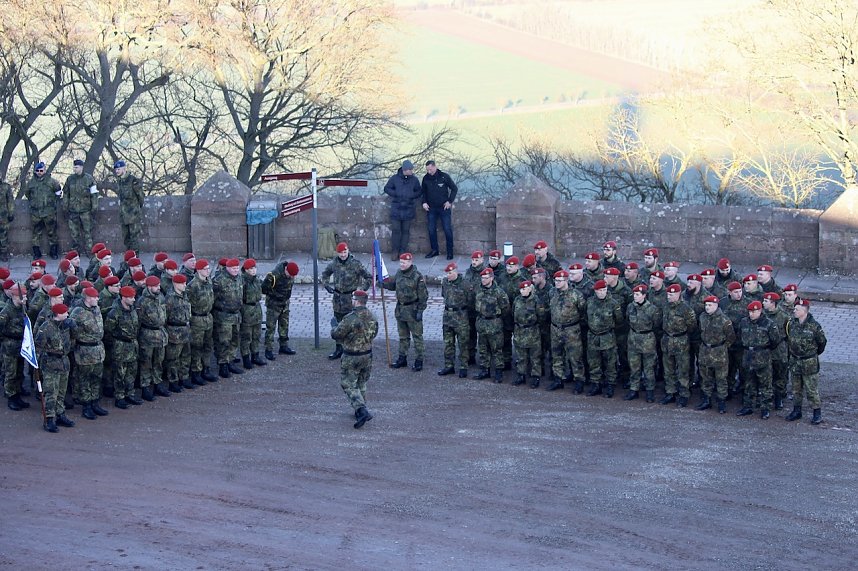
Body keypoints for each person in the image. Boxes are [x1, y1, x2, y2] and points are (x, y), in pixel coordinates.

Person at [331, 290, 379, 429]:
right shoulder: (372, 316)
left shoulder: (350, 318)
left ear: (357, 300)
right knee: (362, 382)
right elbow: (374, 333)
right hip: (367, 354)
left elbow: (337, 334)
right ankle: (360, 409)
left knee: (348, 384)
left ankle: (361, 409)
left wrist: (334, 325)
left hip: (351, 356)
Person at [321, 242, 371, 360]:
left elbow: (368, 277)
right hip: (338, 298)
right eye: (340, 253)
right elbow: (325, 274)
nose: (343, 255)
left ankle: (352, 347)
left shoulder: (355, 264)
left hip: (351, 299)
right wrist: (326, 284)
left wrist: (361, 290)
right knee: (338, 325)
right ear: (337, 253)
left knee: (352, 324)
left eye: (344, 252)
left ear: (348, 251)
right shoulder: (334, 263)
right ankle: (338, 349)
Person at [381, 253, 428, 371]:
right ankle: (402, 358)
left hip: (413, 310)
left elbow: (423, 296)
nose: (402, 265)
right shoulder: (399, 273)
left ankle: (419, 360)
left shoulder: (417, 277)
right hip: (401, 310)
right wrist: (383, 284)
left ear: (410, 262)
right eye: (401, 262)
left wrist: (420, 311)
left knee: (417, 336)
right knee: (403, 336)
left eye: (404, 263)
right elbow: (394, 286)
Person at [785, 298, 827, 425]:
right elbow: (788, 338)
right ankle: (797, 410)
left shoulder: (814, 326)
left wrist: (812, 354)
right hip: (795, 361)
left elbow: (822, 342)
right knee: (796, 388)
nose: (794, 311)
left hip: (809, 362)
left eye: (797, 309)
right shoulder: (791, 323)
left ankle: (817, 413)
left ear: (804, 311)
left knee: (811, 389)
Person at [736, 300, 780, 419]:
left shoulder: (769, 324)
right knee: (748, 383)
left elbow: (775, 341)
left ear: (760, 311)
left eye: (754, 311)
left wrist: (764, 349)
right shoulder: (744, 322)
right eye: (750, 311)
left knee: (765, 385)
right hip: (748, 356)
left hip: (762, 357)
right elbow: (739, 337)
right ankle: (748, 406)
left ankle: (765, 408)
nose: (751, 314)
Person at [35, 303, 75, 432]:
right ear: (58, 314)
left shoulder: (66, 325)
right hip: (51, 363)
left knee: (62, 391)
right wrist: (35, 363)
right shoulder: (46, 327)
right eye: (65, 312)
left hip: (64, 361)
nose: (68, 314)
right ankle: (49, 418)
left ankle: (60, 414)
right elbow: (38, 346)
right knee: (51, 392)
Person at [70, 287, 108, 419]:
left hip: (98, 350)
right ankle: (86, 406)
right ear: (87, 298)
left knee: (97, 378)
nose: (97, 299)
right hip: (84, 351)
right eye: (95, 297)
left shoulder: (96, 309)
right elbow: (72, 331)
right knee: (84, 379)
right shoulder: (77, 312)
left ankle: (95, 403)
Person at [547, 270, 587, 392]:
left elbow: (583, 311)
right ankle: (558, 379)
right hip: (555, 328)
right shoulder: (552, 292)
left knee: (575, 356)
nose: (557, 283)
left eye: (559, 281)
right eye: (555, 281)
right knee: (556, 355)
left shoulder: (576, 295)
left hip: (571, 329)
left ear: (566, 281)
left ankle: (579, 380)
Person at [696, 295, 736, 413]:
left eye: (710, 305)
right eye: (706, 305)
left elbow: (731, 337)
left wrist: (722, 347)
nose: (707, 307)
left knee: (721, 378)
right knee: (705, 377)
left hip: (719, 352)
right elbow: (700, 331)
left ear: (716, 306)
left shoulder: (724, 320)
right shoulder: (702, 317)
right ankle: (706, 400)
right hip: (705, 351)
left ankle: (721, 402)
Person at [105, 286, 142, 408]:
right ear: (123, 298)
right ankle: (120, 397)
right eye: (131, 297)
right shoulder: (114, 313)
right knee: (120, 373)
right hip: (120, 346)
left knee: (131, 371)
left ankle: (130, 394)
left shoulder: (133, 310)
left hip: (132, 345)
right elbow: (108, 330)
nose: (133, 299)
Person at [660, 283, 696, 407]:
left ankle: (684, 394)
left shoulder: (686, 309)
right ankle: (670, 392)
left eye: (671, 294)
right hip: (667, 340)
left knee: (683, 370)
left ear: (678, 294)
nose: (669, 296)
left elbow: (692, 326)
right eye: (668, 294)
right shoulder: (665, 306)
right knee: (668, 369)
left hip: (681, 342)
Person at [624, 284, 661, 402]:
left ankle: (650, 391)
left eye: (638, 295)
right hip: (633, 339)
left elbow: (656, 324)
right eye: (634, 294)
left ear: (644, 296)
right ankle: (634, 389)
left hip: (647, 340)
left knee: (649, 367)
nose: (635, 297)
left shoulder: (652, 309)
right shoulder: (630, 307)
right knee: (634, 366)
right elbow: (627, 320)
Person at [586, 279, 622, 397]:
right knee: (594, 362)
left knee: (610, 363)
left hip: (607, 337)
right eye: (599, 290)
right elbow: (585, 317)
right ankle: (596, 384)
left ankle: (610, 385)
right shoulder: (590, 302)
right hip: (593, 337)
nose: (601, 292)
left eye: (604, 290)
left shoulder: (613, 303)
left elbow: (619, 320)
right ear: (595, 291)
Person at [472, 267, 509, 382]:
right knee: (483, 348)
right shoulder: (478, 290)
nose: (483, 280)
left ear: (492, 278)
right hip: (482, 322)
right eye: (482, 278)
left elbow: (505, 308)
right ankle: (484, 370)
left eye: (486, 278)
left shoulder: (499, 292)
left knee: (497, 348)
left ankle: (498, 371)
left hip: (494, 324)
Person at [438, 262, 473, 379]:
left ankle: (463, 367)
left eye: (451, 273)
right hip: (448, 317)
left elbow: (470, 300)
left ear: (456, 271)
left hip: (461, 318)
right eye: (447, 273)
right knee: (448, 343)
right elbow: (444, 295)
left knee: (463, 344)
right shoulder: (445, 283)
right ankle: (449, 365)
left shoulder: (465, 284)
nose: (449, 275)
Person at [136, 275, 168, 400]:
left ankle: (157, 383)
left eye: (159, 285)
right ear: (149, 287)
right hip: (147, 336)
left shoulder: (160, 298)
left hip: (160, 334)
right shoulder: (142, 301)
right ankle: (145, 387)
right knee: (146, 363)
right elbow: (138, 321)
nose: (158, 288)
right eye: (155, 286)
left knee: (158, 361)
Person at [383, 160, 422, 260]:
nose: (412, 171)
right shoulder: (395, 179)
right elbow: (386, 188)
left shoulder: (414, 180)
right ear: (405, 170)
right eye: (410, 170)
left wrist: (412, 195)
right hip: (396, 208)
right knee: (396, 231)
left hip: (408, 208)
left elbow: (419, 191)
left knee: (405, 231)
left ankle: (402, 251)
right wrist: (395, 193)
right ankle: (395, 251)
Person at [262, 258, 300, 360]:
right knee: (271, 328)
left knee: (284, 325)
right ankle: (268, 349)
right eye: (290, 275)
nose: (291, 277)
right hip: (273, 305)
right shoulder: (273, 276)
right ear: (286, 270)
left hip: (285, 304)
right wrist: (275, 295)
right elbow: (264, 289)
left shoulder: (291, 275)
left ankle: (283, 346)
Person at [212, 258, 244, 378]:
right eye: (233, 268)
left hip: (236, 315)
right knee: (224, 341)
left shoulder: (239, 278)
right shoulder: (219, 280)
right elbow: (212, 299)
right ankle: (223, 365)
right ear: (228, 268)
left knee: (234, 340)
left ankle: (230, 361)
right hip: (223, 316)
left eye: (237, 268)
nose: (236, 270)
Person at [421, 160, 458, 260]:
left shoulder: (444, 176)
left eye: (430, 169)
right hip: (431, 208)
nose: (429, 172)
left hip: (443, 207)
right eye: (427, 170)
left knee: (447, 229)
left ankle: (450, 252)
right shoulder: (425, 178)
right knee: (431, 229)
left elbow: (454, 188)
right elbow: (423, 192)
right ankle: (434, 250)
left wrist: (449, 201)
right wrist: (424, 202)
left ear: (435, 167)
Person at [187, 258, 216, 385]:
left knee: (207, 345)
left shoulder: (208, 281)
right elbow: (188, 304)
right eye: (205, 269)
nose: (208, 271)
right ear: (198, 270)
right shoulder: (193, 286)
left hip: (208, 318)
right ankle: (196, 372)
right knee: (197, 347)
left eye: (208, 268)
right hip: (197, 318)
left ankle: (206, 368)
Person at [25, 161, 63, 260]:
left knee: (52, 232)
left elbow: (58, 192)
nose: (39, 172)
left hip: (49, 212)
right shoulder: (31, 182)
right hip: (35, 213)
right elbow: (27, 194)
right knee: (36, 233)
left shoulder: (52, 182)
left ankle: (53, 252)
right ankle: (36, 253)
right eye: (37, 171)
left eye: (41, 170)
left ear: (45, 171)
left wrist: (52, 202)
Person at [1, 283, 29, 411]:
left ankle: (17, 395)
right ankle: (11, 397)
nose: (25, 299)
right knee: (10, 373)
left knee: (19, 371)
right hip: (10, 347)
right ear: (15, 297)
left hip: (20, 345)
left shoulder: (22, 308)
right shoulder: (6, 312)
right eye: (23, 296)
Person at [164, 274, 193, 391]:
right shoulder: (170, 298)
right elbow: (165, 316)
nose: (185, 285)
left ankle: (184, 378)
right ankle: (173, 381)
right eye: (182, 283)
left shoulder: (184, 295)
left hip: (185, 329)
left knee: (186, 355)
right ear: (176, 284)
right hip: (174, 331)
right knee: (173, 358)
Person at [513, 280, 545, 388]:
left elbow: (541, 316)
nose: (523, 291)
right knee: (521, 356)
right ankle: (521, 375)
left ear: (530, 289)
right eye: (521, 289)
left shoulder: (536, 301)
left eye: (525, 289)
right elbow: (513, 312)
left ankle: (535, 377)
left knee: (535, 356)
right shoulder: (517, 300)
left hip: (532, 332)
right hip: (520, 331)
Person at [107, 160, 145, 251]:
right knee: (125, 237)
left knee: (134, 238)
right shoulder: (120, 181)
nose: (117, 171)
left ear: (124, 168)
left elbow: (141, 196)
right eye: (116, 169)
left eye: (119, 169)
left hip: (133, 215)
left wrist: (136, 208)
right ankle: (128, 257)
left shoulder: (133, 180)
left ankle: (135, 259)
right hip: (124, 215)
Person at [63, 159, 99, 252]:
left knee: (88, 232)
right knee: (74, 232)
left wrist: (94, 207)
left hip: (85, 210)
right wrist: (65, 206)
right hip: (73, 210)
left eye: (76, 167)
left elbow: (94, 194)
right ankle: (76, 251)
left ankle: (90, 250)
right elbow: (66, 194)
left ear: (81, 167)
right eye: (74, 167)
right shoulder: (70, 179)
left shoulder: (89, 178)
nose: (74, 169)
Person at [239, 259, 267, 369]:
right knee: (246, 336)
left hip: (256, 309)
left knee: (256, 335)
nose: (253, 270)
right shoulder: (242, 281)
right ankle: (246, 358)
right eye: (251, 268)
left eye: (254, 268)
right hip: (247, 309)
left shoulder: (256, 280)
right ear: (246, 270)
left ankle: (255, 356)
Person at [0, 176, 14, 261]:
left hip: (3, 216)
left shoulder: (6, 187)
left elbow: (10, 201)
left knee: (3, 235)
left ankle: (3, 253)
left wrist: (11, 213)